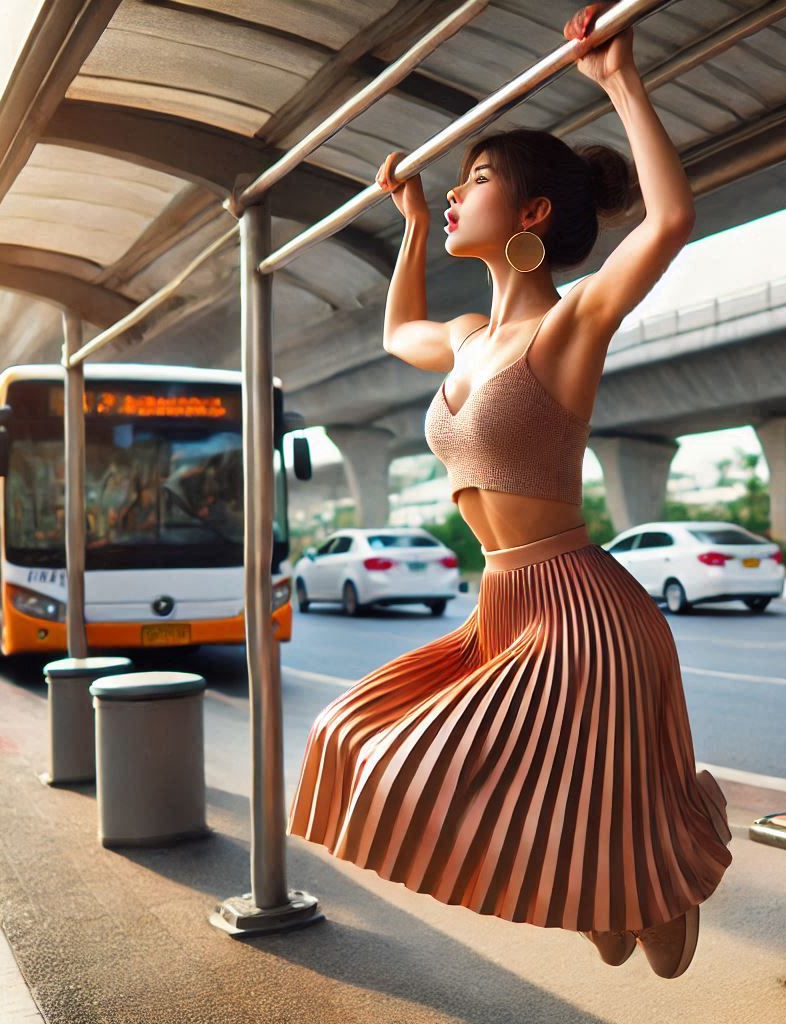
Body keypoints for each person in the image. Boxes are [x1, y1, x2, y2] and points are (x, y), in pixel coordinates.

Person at [286, 2, 732, 978]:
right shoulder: (460, 341)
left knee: (642, 929)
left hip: (582, 612)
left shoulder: (565, 330)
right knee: (348, 737)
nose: (455, 196)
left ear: (531, 214)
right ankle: (622, 875)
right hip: (501, 604)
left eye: (474, 180)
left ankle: (665, 862)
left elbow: (671, 221)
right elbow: (394, 331)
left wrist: (618, 80)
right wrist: (408, 223)